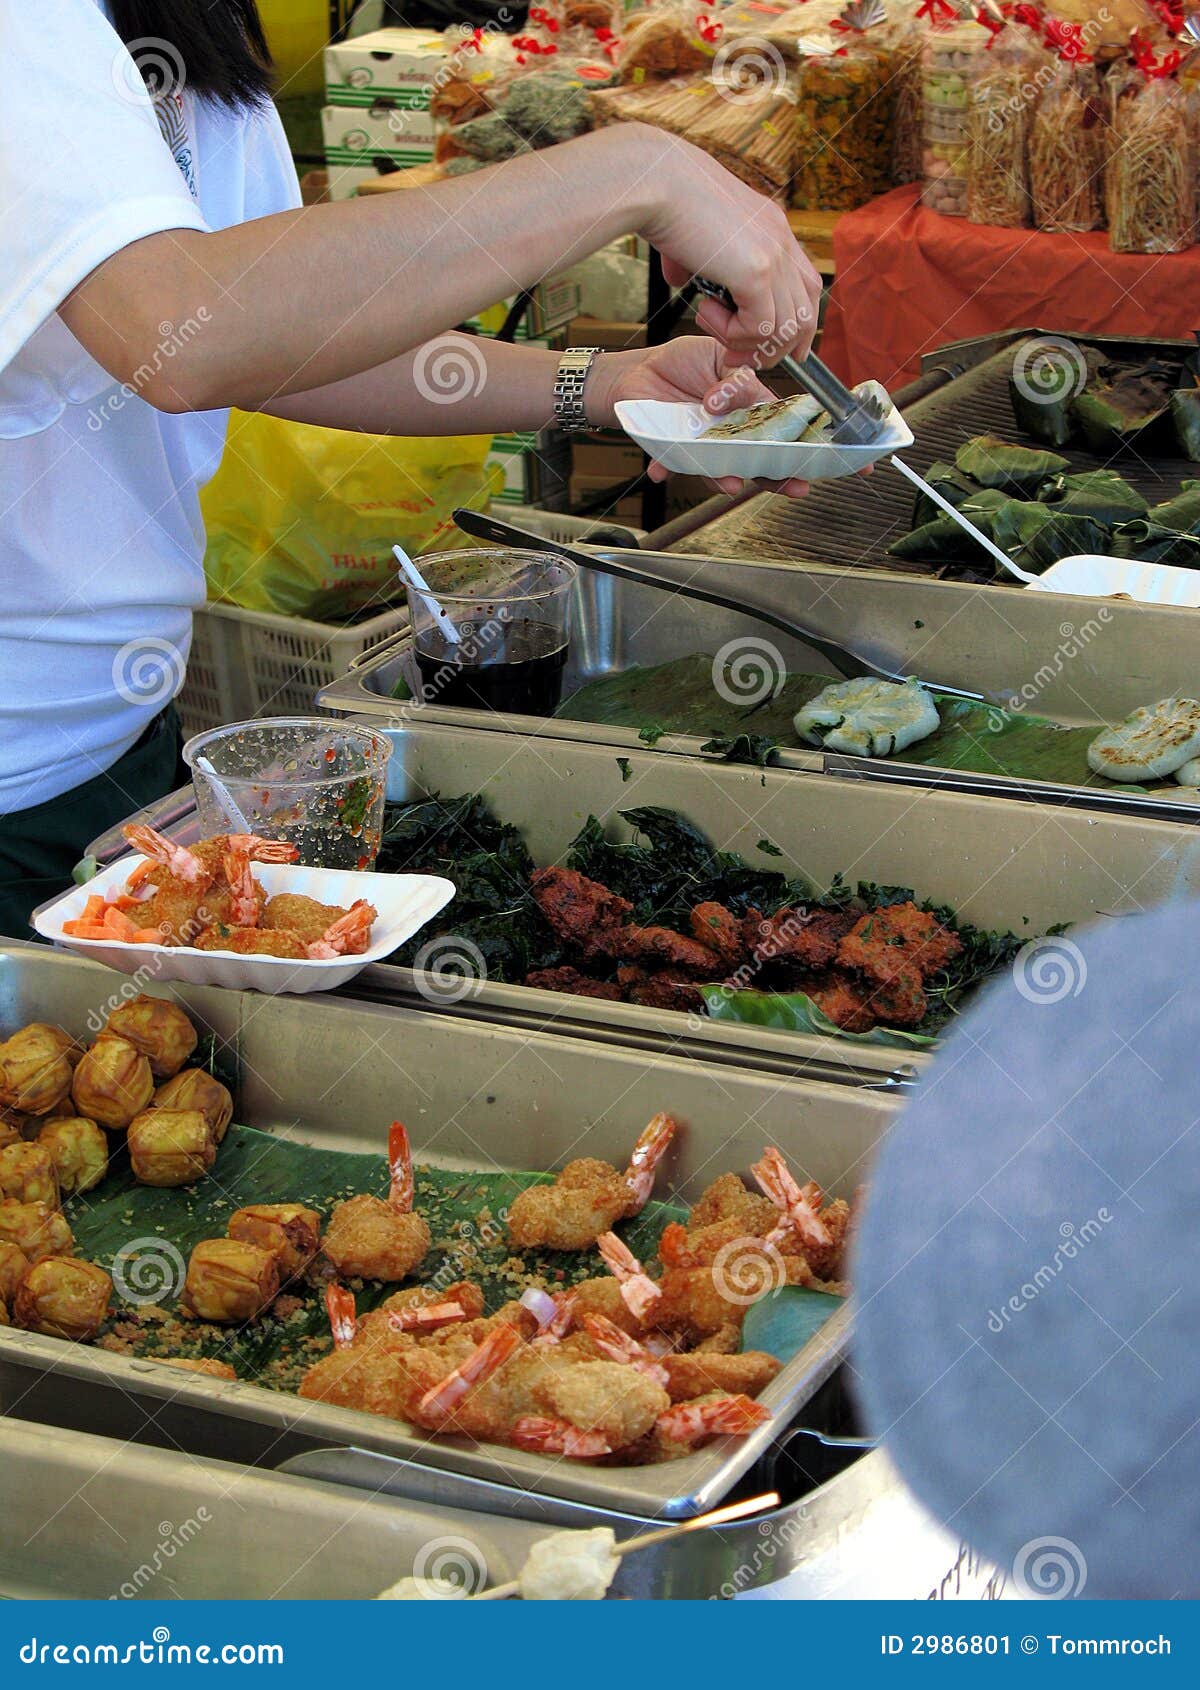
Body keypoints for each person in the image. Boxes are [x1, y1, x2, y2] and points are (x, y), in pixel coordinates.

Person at [0, 0, 821, 938]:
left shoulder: (178, 25)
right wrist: (638, 171)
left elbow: (285, 333)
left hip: (121, 748)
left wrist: (605, 386)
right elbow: (187, 330)